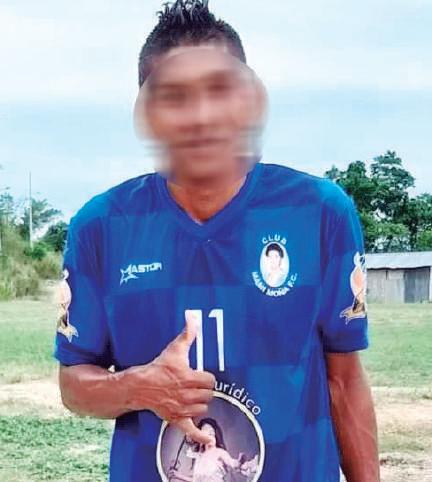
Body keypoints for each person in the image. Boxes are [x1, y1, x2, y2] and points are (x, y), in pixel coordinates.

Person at [53, 1, 380, 481]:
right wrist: (139, 387)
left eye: (220, 90)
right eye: (175, 97)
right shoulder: (102, 226)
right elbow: (73, 384)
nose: (201, 115)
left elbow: (344, 381)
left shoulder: (318, 213)